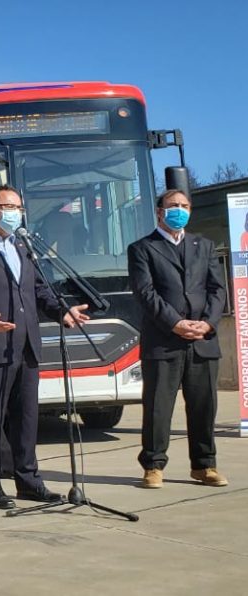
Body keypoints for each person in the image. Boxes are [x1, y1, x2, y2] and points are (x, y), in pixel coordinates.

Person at [0, 185, 89, 510]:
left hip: (26, 346)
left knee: (26, 418)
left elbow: (40, 290)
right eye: (9, 206)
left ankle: (28, 480)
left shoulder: (22, 246)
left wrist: (62, 311)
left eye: (19, 208)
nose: (16, 213)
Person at [128, 189, 227, 489]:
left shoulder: (204, 245)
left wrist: (206, 324)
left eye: (185, 206)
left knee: (203, 406)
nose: (179, 210)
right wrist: (175, 323)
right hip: (163, 340)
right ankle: (153, 465)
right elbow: (145, 293)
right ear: (160, 211)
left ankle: (204, 465)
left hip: (202, 341)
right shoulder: (142, 248)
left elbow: (217, 289)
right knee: (158, 407)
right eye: (173, 206)